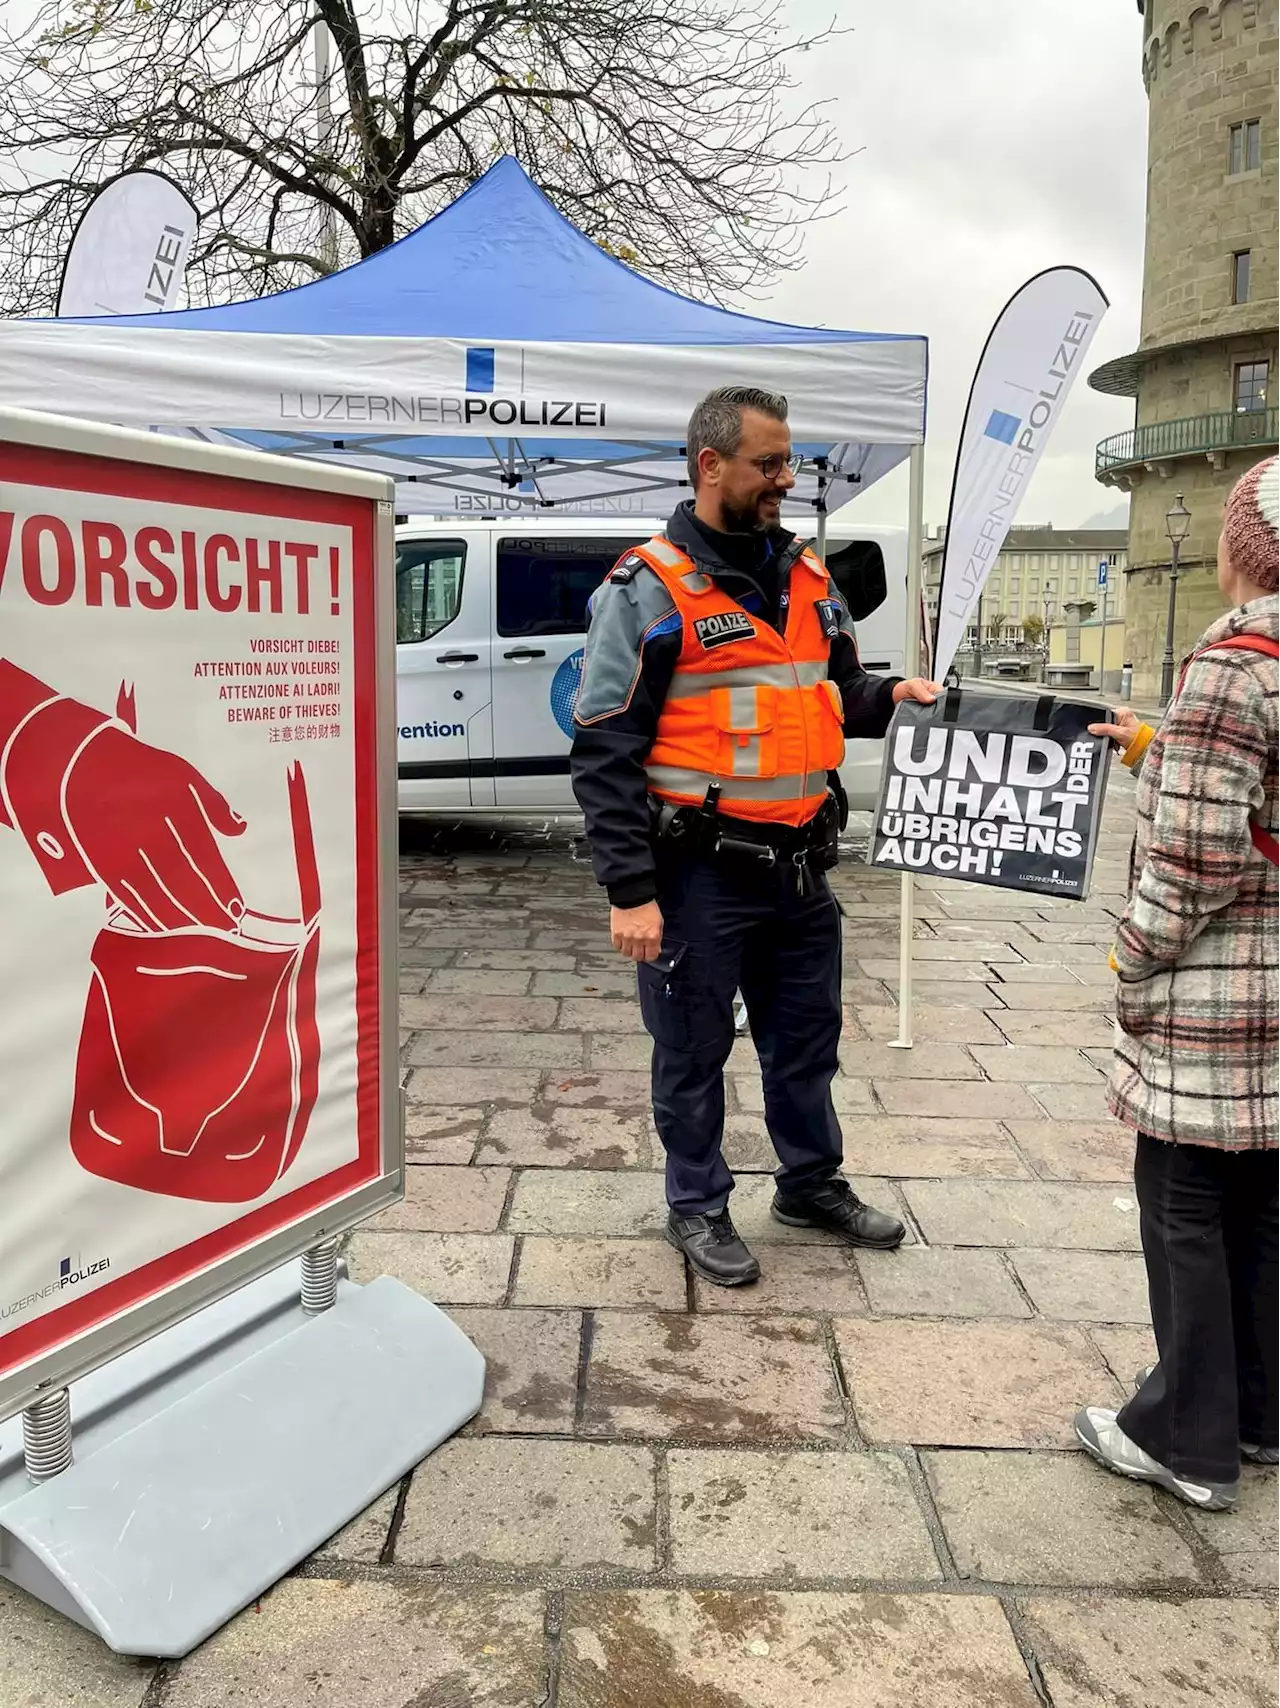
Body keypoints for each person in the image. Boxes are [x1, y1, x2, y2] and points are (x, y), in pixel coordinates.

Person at [570, 385, 939, 1286]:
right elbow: (603, 748)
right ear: (711, 465)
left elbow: (838, 691)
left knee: (807, 1039)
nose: (786, 479)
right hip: (701, 876)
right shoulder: (647, 589)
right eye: (769, 464)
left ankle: (809, 1185)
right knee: (693, 1049)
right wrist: (629, 890)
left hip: (803, 869)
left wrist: (890, 696)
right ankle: (695, 1203)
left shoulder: (808, 577)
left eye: (790, 462)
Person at [1075, 453, 1280, 1511]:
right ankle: (1258, 1414)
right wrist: (1160, 746)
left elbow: (1198, 859)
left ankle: (1183, 1440)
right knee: (1264, 1201)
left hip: (1220, 994)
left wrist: (1131, 949)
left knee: (1184, 1201)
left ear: (1243, 547)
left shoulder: (1233, 662)